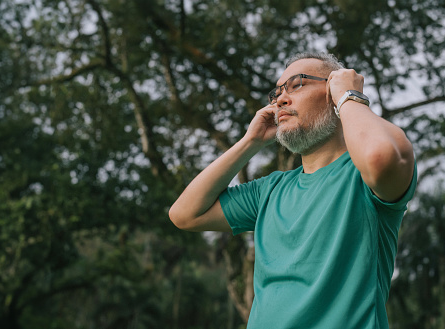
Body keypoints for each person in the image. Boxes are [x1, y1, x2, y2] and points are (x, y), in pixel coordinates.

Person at [169, 52, 417, 328]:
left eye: (297, 84)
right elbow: (184, 214)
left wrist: (349, 95)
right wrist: (250, 142)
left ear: (332, 93)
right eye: (277, 92)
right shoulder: (270, 190)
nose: (280, 100)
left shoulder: (361, 177)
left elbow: (379, 157)